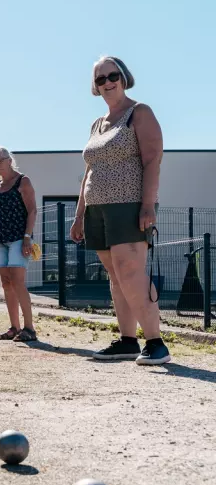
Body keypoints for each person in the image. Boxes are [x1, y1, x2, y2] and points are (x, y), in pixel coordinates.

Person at [72, 56, 170, 365]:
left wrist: (147, 205)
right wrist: (79, 215)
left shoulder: (139, 113)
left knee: (131, 273)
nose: (107, 82)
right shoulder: (97, 124)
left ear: (124, 77)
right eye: (100, 79)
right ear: (95, 86)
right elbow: (89, 172)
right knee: (115, 277)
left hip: (128, 206)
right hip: (97, 210)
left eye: (112, 75)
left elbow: (152, 159)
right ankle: (128, 341)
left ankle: (156, 343)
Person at [0, 146, 38, 342]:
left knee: (17, 281)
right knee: (6, 283)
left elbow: (32, 211)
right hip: (1, 241)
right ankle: (14, 327)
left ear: (9, 160)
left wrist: (27, 237)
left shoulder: (23, 181)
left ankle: (29, 328)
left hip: (18, 239)